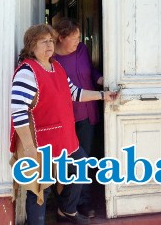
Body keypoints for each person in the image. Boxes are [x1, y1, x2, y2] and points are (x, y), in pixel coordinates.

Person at [9, 24, 116, 225]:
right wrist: (29, 147)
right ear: (32, 46)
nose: (50, 45)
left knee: (81, 166)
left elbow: (75, 92)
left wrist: (103, 96)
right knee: (41, 188)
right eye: (44, 41)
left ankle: (66, 209)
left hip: (65, 138)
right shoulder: (27, 72)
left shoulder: (57, 67)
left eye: (51, 40)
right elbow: (18, 111)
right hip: (41, 142)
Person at [52, 19, 102, 218]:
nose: (78, 41)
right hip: (65, 117)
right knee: (67, 162)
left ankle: (83, 202)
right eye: (74, 38)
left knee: (85, 159)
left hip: (87, 111)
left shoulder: (82, 50)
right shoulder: (52, 58)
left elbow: (90, 69)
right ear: (61, 38)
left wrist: (99, 79)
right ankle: (65, 205)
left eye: (79, 37)